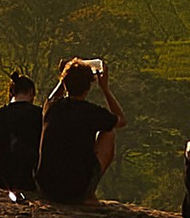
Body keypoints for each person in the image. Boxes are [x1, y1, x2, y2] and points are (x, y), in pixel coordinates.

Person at [35, 58, 124, 204]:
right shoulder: (92, 112)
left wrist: (64, 76)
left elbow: (50, 98)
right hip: (75, 190)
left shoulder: (52, 108)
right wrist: (105, 88)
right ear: (88, 87)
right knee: (109, 133)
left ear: (64, 84)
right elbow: (121, 120)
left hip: (46, 188)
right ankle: (88, 193)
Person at [0, 73, 44, 198]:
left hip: (1, 180)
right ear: (31, 93)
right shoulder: (39, 115)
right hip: (29, 180)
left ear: (11, 93)